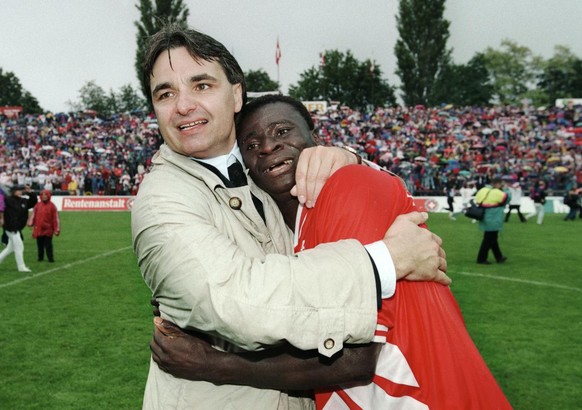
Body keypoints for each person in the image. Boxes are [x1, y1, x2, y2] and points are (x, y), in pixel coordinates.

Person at [132, 24, 449, 409]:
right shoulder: (160, 199)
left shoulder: (264, 174)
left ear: (236, 95)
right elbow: (241, 303)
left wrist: (346, 158)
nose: (183, 105)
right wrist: (385, 260)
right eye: (166, 93)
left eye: (201, 85)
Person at [150, 95, 511, 409]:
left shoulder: (350, 186)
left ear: (317, 139)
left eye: (282, 131)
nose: (267, 146)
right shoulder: (279, 229)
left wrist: (212, 364)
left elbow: (356, 358)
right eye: (250, 144)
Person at [0, 185, 38, 272]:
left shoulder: (23, 201)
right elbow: (1, 209)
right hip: (11, 228)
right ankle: (21, 267)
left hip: (17, 227)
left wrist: (30, 192)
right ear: (13, 191)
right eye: (18, 190)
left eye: (21, 190)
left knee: (10, 248)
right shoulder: (7, 200)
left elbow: (33, 201)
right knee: (19, 247)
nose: (20, 192)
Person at [475, 178, 510, 265]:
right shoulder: (497, 192)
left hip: (484, 216)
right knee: (488, 239)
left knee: (493, 238)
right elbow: (507, 198)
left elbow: (477, 200)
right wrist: (506, 189)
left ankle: (499, 257)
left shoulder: (483, 190)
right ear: (498, 184)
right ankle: (481, 258)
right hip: (494, 217)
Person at [27, 189, 60, 262]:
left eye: (46, 195)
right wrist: (30, 223)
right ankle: (40, 258)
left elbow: (55, 218)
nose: (44, 197)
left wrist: (56, 229)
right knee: (40, 244)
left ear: (49, 196)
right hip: (39, 228)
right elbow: (33, 215)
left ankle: (50, 258)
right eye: (42, 195)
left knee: (48, 245)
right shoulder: (37, 205)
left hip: (48, 229)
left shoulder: (52, 206)